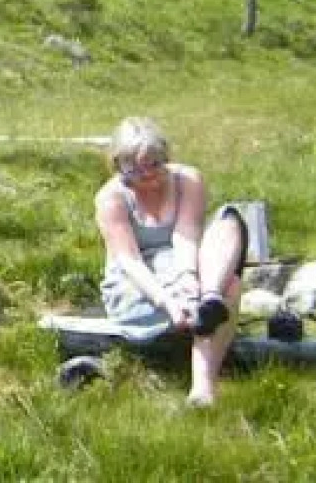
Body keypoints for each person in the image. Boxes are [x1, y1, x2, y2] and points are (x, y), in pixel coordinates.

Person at [95, 117, 247, 406]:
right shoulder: (110, 198)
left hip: (179, 265)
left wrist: (188, 277)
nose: (149, 175)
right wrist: (167, 301)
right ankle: (202, 311)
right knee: (232, 288)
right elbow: (130, 262)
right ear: (119, 166)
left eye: (155, 165)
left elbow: (186, 234)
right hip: (139, 285)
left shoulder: (188, 179)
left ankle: (203, 386)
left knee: (229, 224)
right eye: (138, 170)